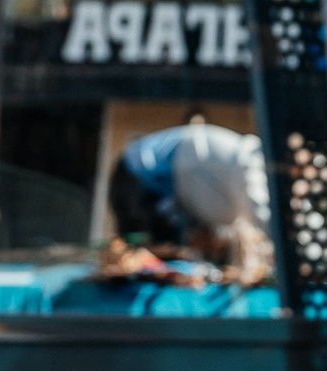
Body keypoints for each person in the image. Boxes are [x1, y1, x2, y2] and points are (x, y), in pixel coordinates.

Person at [104, 118, 273, 283]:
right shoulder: (252, 164)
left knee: (173, 252)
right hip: (137, 175)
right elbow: (262, 214)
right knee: (141, 252)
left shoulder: (233, 179)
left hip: (161, 184)